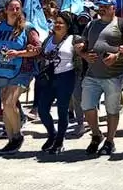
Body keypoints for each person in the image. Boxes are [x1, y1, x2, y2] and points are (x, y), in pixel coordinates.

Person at [75, 0, 123, 156]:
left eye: (105, 6)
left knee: (111, 109)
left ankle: (110, 141)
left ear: (113, 8)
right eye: (100, 6)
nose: (101, 8)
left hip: (114, 75)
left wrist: (117, 56)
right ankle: (96, 134)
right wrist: (83, 53)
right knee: (87, 105)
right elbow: (82, 43)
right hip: (92, 73)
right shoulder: (91, 24)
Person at [0, 0, 41, 154]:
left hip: (22, 70)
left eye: (17, 8)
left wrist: (19, 53)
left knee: (9, 102)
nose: (14, 11)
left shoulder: (27, 28)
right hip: (2, 69)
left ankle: (17, 135)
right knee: (6, 105)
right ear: (5, 10)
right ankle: (11, 138)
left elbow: (38, 49)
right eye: (11, 8)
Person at [38, 11, 79, 155]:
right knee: (42, 109)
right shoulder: (48, 39)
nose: (58, 25)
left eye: (61, 23)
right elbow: (41, 54)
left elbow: (84, 52)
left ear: (68, 26)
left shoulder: (74, 39)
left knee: (62, 111)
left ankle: (60, 140)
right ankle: (52, 134)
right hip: (49, 78)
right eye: (56, 22)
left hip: (66, 77)